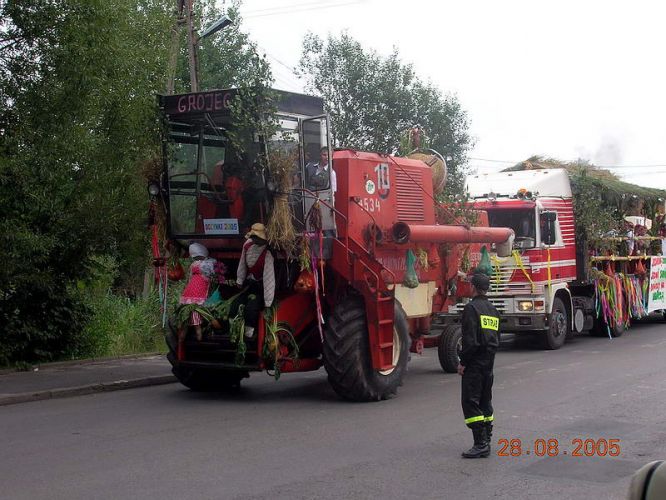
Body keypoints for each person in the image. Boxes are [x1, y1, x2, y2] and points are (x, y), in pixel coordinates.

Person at [458, 272, 501, 459]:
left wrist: (463, 362)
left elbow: (470, 341)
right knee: (485, 401)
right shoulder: (493, 310)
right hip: (489, 363)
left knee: (470, 402)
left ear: (473, 287)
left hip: (474, 364)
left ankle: (480, 444)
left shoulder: (471, 309)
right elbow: (497, 338)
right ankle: (487, 438)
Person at [236, 223, 275, 339]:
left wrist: (268, 302)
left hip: (261, 286)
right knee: (235, 304)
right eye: (253, 238)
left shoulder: (267, 253)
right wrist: (239, 279)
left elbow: (269, 278)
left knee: (251, 308)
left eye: (257, 238)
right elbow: (242, 263)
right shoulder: (247, 245)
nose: (254, 240)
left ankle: (249, 335)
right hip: (249, 283)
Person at [177, 243, 216, 358]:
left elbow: (189, 279)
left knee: (184, 317)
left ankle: (181, 340)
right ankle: (199, 337)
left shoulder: (193, 265)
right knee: (196, 313)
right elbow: (213, 275)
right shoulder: (208, 264)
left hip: (188, 292)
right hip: (199, 293)